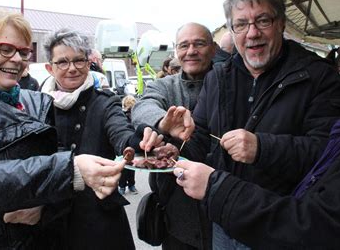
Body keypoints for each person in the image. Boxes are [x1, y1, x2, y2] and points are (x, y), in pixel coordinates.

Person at [173, 18, 340, 249]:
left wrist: (222, 182)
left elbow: (316, 226)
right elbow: (201, 134)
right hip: (239, 221)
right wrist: (174, 145)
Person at [151, 0, 340, 249]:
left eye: (263, 21)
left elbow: (333, 153)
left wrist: (262, 147)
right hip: (224, 220)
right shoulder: (218, 78)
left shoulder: (318, 76)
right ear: (233, 31)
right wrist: (174, 145)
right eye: (242, 24)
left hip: (285, 227)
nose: (252, 33)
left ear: (281, 23)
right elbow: (199, 138)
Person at [0, 10, 125, 249]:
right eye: (6, 49)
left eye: (23, 52)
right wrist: (71, 170)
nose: (17, 59)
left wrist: (43, 205)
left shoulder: (34, 101)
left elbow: (51, 164)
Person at [40, 28, 162, 249]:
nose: (72, 68)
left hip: (98, 220)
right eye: (63, 62)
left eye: (79, 60)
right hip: (49, 218)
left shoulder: (105, 102)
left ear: (89, 63)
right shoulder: (36, 105)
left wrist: (141, 139)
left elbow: (122, 135)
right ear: (50, 67)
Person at [132, 22, 216, 249]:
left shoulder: (228, 84)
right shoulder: (164, 86)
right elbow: (142, 107)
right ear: (176, 51)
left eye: (199, 44)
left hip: (220, 207)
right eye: (184, 45)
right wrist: (163, 123)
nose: (191, 51)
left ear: (214, 48)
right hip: (175, 210)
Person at [119, 95, 138, 195]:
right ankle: (124, 186)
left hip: (131, 143)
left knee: (129, 166)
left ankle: (130, 185)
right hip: (125, 143)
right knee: (124, 167)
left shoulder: (136, 114)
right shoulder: (122, 115)